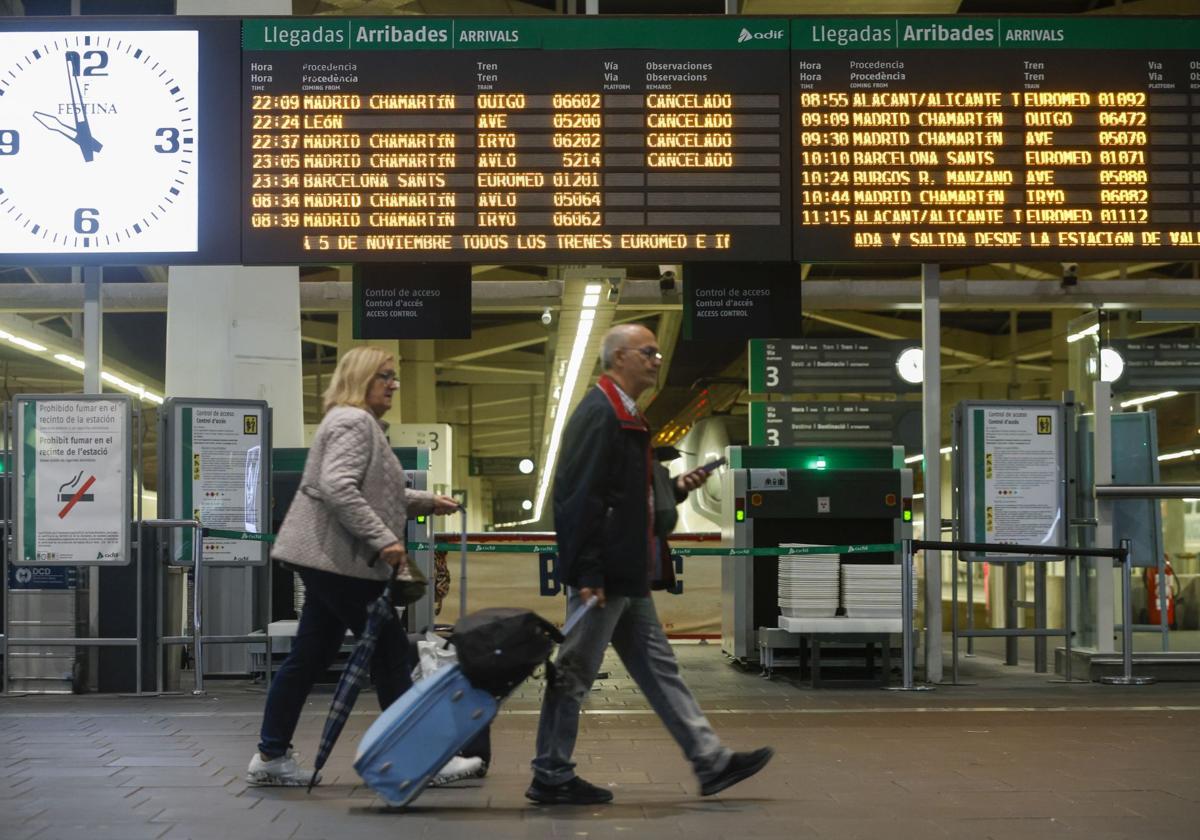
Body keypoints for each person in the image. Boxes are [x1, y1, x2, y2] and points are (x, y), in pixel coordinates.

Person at [527, 324, 774, 805]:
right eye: (648, 352)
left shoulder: (627, 415)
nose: (658, 360)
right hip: (605, 577)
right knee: (574, 671)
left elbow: (629, 496)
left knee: (660, 669)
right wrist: (588, 573)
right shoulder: (600, 414)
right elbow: (578, 498)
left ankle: (710, 761)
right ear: (619, 357)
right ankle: (551, 772)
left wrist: (678, 488)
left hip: (628, 573)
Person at [246, 346, 475, 787]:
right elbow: (338, 488)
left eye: (394, 377)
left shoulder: (350, 422)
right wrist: (385, 539)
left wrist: (426, 500)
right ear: (360, 379)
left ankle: (270, 755)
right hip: (342, 562)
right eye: (384, 376)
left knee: (308, 658)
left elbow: (369, 492)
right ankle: (421, 756)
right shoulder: (354, 422)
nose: (393, 385)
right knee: (391, 654)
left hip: (329, 560)